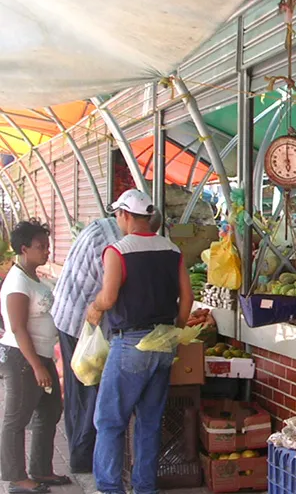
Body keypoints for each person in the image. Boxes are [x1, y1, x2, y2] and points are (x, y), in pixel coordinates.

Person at [87, 189, 191, 494]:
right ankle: (145, 488)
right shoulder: (172, 250)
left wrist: (94, 307)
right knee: (150, 422)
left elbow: (109, 297)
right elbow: (187, 298)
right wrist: (175, 331)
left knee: (110, 421)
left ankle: (110, 488)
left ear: (125, 215)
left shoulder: (117, 251)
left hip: (130, 344)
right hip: (164, 344)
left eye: (118, 214)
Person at [50, 211, 161, 473]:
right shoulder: (116, 245)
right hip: (82, 322)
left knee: (80, 392)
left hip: (70, 314)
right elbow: (111, 295)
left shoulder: (105, 226)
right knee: (89, 392)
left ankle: (82, 456)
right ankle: (85, 460)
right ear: (132, 220)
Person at [0, 220, 70, 493]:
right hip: (22, 358)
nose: (47, 251)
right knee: (17, 418)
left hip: (40, 356)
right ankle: (16, 478)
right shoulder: (17, 282)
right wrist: (37, 366)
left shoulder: (33, 277)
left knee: (50, 410)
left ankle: (41, 469)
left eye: (47, 245)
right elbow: (18, 328)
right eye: (41, 246)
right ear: (24, 249)